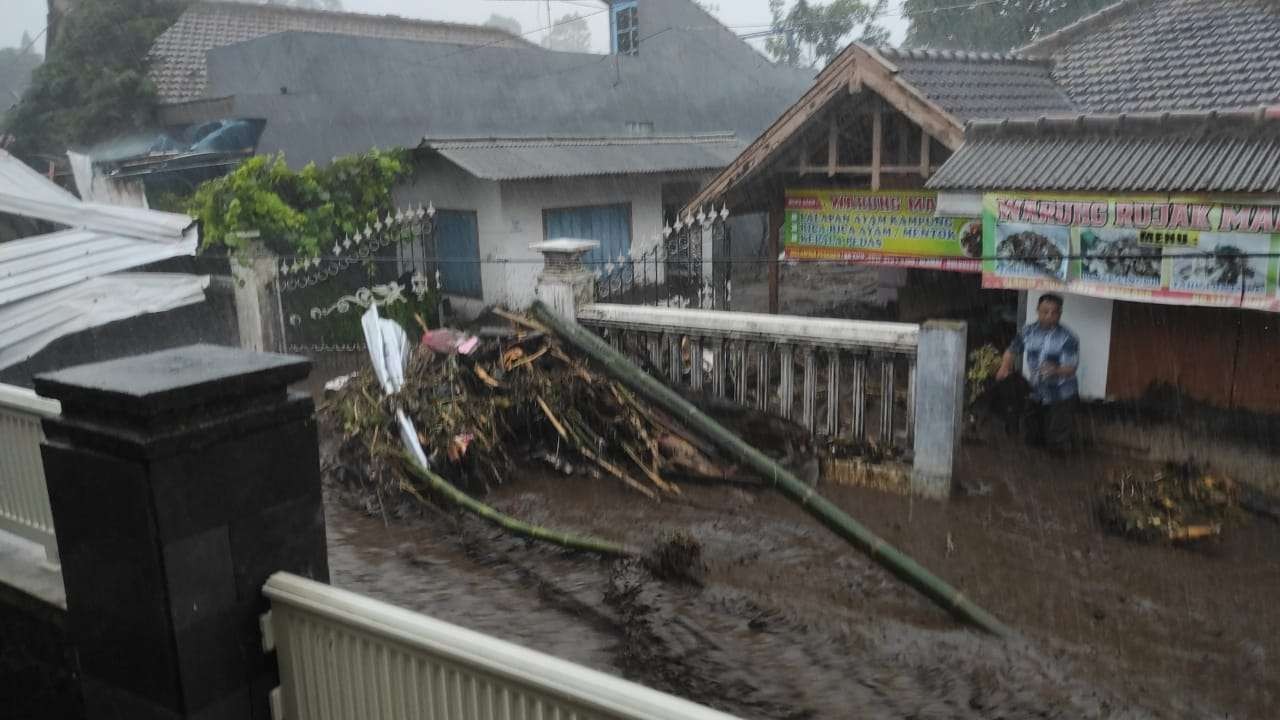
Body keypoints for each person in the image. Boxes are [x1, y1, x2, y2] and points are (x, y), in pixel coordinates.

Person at [996, 293, 1079, 452]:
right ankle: (1035, 468)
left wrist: (1056, 369)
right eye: (1045, 311)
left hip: (1061, 393)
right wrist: (1004, 367)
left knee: (1058, 440)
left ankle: (1058, 467)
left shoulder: (1068, 338)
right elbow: (1011, 351)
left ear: (1060, 314)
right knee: (1031, 438)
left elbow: (1071, 368)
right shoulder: (1028, 331)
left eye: (1054, 312)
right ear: (1037, 311)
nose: (1049, 316)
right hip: (1036, 391)